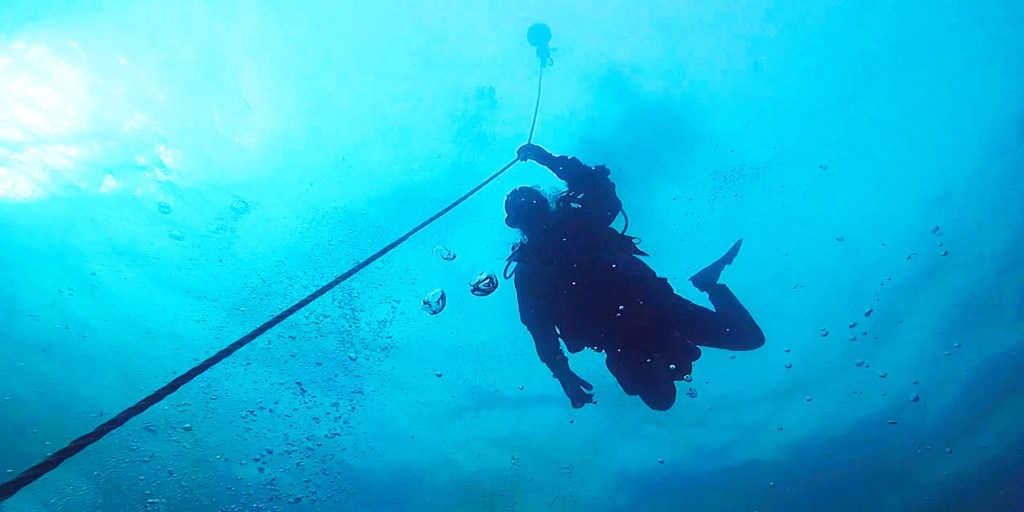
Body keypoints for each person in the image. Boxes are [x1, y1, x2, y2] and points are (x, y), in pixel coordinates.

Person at [505, 143, 765, 411]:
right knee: (661, 400)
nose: (535, 221)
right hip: (622, 336)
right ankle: (699, 302)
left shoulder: (579, 225)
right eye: (528, 215)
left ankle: (708, 285)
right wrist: (562, 373)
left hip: (657, 309)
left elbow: (598, 187)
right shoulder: (533, 267)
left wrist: (546, 158)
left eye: (534, 212)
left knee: (748, 338)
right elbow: (538, 326)